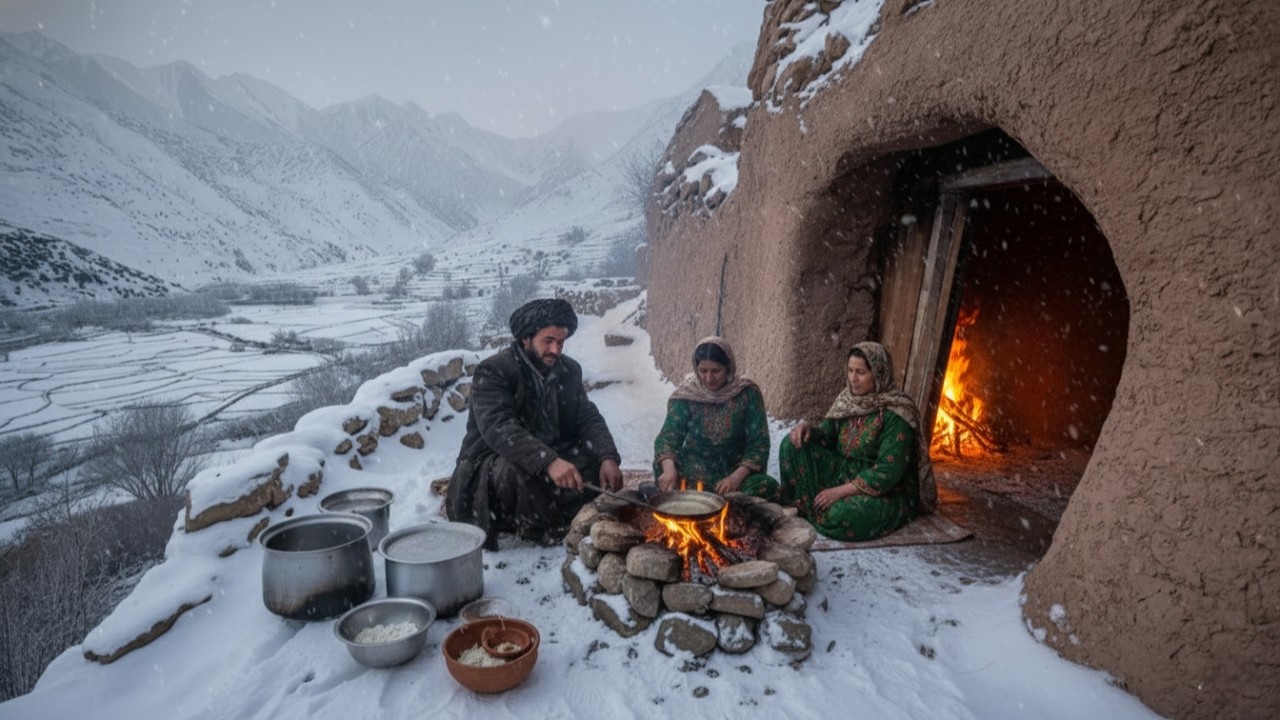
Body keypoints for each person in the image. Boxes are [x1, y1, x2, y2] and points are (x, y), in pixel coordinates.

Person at [446, 298, 624, 548]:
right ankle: (539, 525)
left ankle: (553, 513)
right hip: (492, 463)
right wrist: (548, 461)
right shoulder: (494, 371)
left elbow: (586, 416)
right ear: (526, 338)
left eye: (560, 342)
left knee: (594, 464)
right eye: (548, 341)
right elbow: (499, 428)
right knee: (514, 471)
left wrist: (607, 457)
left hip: (551, 454)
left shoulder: (569, 370)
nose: (556, 350)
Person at [779, 341, 937, 541]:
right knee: (791, 445)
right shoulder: (849, 401)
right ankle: (804, 504)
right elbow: (827, 437)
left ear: (878, 374)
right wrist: (808, 430)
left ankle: (812, 507)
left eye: (860, 372)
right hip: (843, 472)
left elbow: (887, 473)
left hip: (885, 491)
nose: (853, 379)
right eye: (850, 370)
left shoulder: (897, 413)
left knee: (840, 516)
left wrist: (839, 492)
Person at [653, 336, 778, 499]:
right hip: (693, 472)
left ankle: (730, 510)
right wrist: (669, 469)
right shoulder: (686, 396)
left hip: (734, 472)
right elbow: (668, 438)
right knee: (663, 468)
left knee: (766, 486)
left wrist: (735, 478)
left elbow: (759, 443)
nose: (709, 378)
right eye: (703, 371)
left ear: (728, 368)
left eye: (716, 371)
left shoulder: (747, 394)